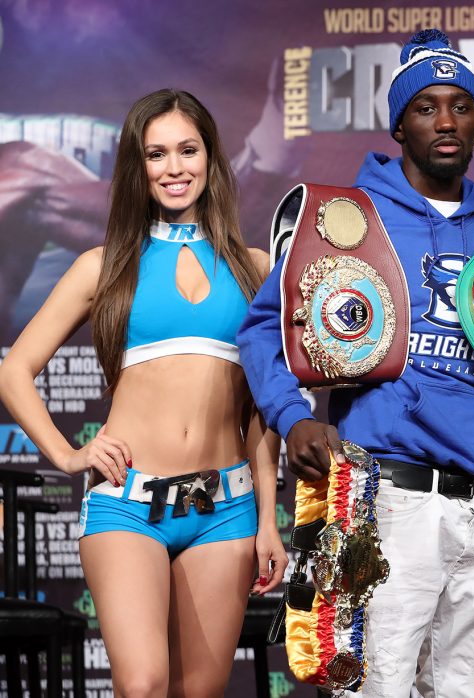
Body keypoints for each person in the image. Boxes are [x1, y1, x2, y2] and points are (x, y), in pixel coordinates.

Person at [237, 29, 474, 697]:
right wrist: (292, 417)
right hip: (390, 500)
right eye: (426, 107)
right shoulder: (349, 217)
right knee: (373, 688)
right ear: (399, 122)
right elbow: (260, 332)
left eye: (460, 105)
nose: (446, 121)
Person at [0, 89, 287, 696]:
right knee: (143, 684)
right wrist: (69, 454)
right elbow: (13, 369)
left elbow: (262, 411)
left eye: (188, 150)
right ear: (138, 165)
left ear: (212, 159)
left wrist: (268, 519)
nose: (175, 168)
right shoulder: (103, 266)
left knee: (198, 691)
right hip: (127, 505)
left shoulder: (256, 269)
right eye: (157, 154)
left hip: (224, 510)